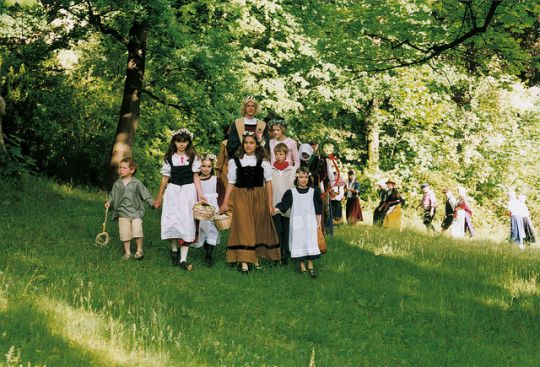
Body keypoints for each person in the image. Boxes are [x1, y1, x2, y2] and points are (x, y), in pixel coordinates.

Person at [220, 132, 280, 273]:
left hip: (259, 196)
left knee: (257, 226)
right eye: (246, 142)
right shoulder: (235, 161)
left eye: (251, 143)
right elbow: (231, 183)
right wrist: (225, 202)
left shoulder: (263, 162)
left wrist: (270, 204)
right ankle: (244, 261)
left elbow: (269, 184)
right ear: (243, 144)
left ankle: (256, 258)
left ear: (257, 144)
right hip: (241, 196)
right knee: (243, 226)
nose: (248, 145)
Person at [154, 128, 206, 271]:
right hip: (173, 190)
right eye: (179, 141)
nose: (181, 144)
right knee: (172, 219)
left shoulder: (193, 157)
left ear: (189, 142)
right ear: (174, 142)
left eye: (184, 141)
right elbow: (165, 178)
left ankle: (183, 259)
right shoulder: (169, 158)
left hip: (188, 191)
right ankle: (174, 248)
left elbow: (196, 176)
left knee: (186, 221)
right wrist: (159, 196)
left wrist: (200, 193)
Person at [275, 166, 322, 278]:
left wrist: (318, 223)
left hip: (310, 224)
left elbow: (318, 209)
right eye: (301, 177)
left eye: (306, 177)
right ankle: (302, 267)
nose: (304, 179)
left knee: (310, 243)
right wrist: (275, 209)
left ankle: (310, 266)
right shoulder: (291, 192)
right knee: (299, 243)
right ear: (297, 178)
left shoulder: (313, 192)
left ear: (309, 178)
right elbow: (284, 205)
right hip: (297, 225)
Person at [105, 157, 154, 260]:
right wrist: (109, 202)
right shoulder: (117, 184)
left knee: (137, 230)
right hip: (122, 213)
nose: (121, 170)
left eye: (124, 168)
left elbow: (146, 195)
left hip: (136, 212)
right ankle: (127, 253)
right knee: (125, 233)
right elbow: (112, 196)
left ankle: (139, 251)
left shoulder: (137, 183)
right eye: (120, 167)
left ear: (132, 170)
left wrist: (153, 204)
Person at [191, 153, 222, 266]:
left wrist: (222, 207)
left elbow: (221, 194)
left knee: (212, 230)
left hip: (213, 207)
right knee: (201, 229)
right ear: (200, 167)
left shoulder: (216, 179)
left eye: (209, 166)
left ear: (212, 167)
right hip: (200, 208)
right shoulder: (196, 179)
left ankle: (209, 255)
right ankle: (204, 245)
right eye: (203, 166)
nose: (206, 169)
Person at [271, 142, 296, 265]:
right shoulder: (270, 169)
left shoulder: (292, 170)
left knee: (286, 230)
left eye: (281, 154)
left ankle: (285, 254)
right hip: (274, 205)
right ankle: (276, 255)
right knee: (276, 230)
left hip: (287, 206)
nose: (278, 156)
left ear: (286, 155)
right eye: (276, 154)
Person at [215, 126, 230, 206]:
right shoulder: (225, 143)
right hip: (225, 171)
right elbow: (220, 160)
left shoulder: (242, 142)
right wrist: (218, 175)